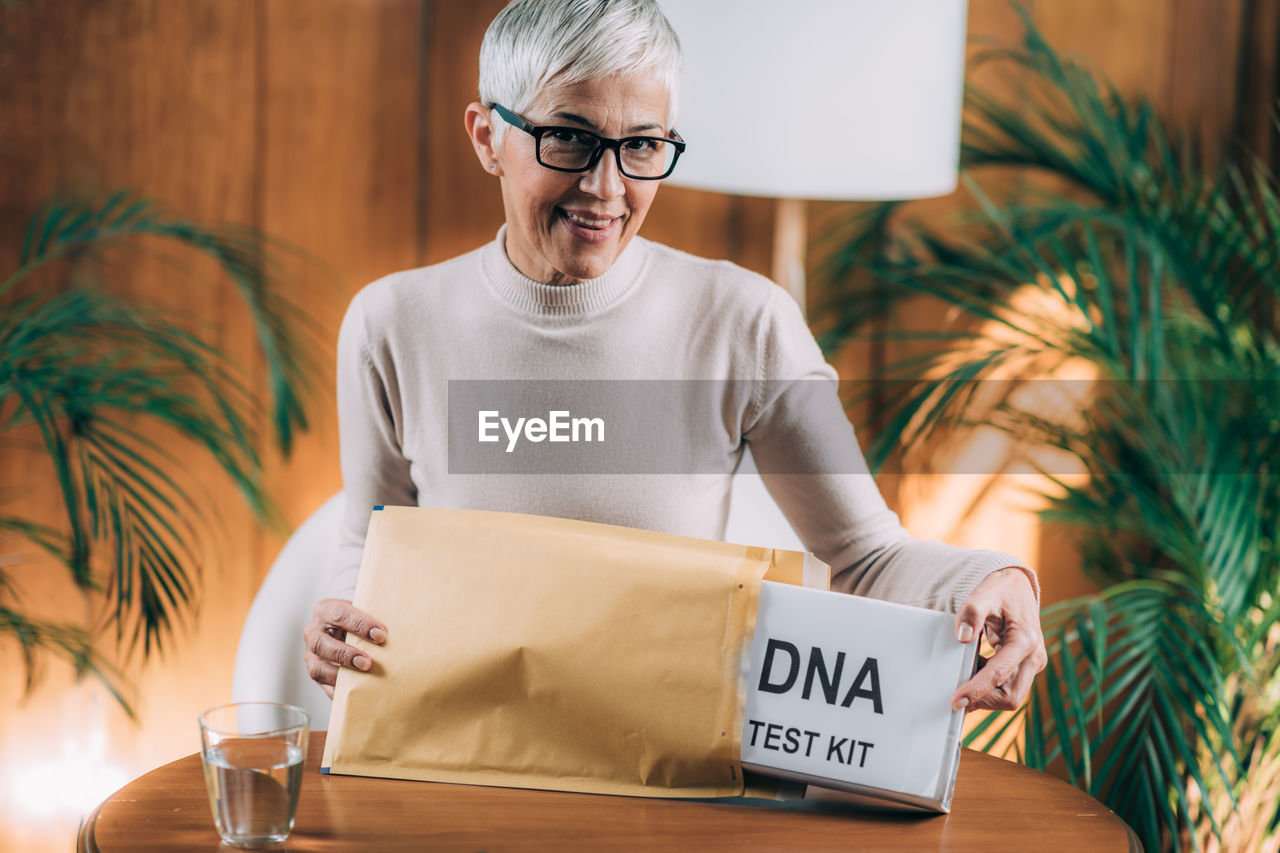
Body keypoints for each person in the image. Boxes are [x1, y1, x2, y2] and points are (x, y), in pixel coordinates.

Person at [304, 0, 1046, 716]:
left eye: (643, 146)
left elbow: (865, 556)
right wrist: (339, 620)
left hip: (663, 763)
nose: (606, 187)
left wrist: (997, 577)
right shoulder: (391, 323)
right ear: (485, 136)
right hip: (460, 757)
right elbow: (371, 543)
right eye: (568, 137)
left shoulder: (743, 323)